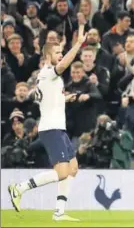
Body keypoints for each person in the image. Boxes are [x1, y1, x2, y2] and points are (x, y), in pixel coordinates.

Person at [8, 25, 87, 221]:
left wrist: (64, 99)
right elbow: (62, 67)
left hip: (58, 127)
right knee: (61, 172)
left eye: (61, 52)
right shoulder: (49, 71)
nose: (60, 55)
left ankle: (59, 212)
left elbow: (47, 98)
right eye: (57, 52)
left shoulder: (48, 76)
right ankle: (20, 188)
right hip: (51, 128)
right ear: (47, 56)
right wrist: (77, 44)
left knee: (73, 168)